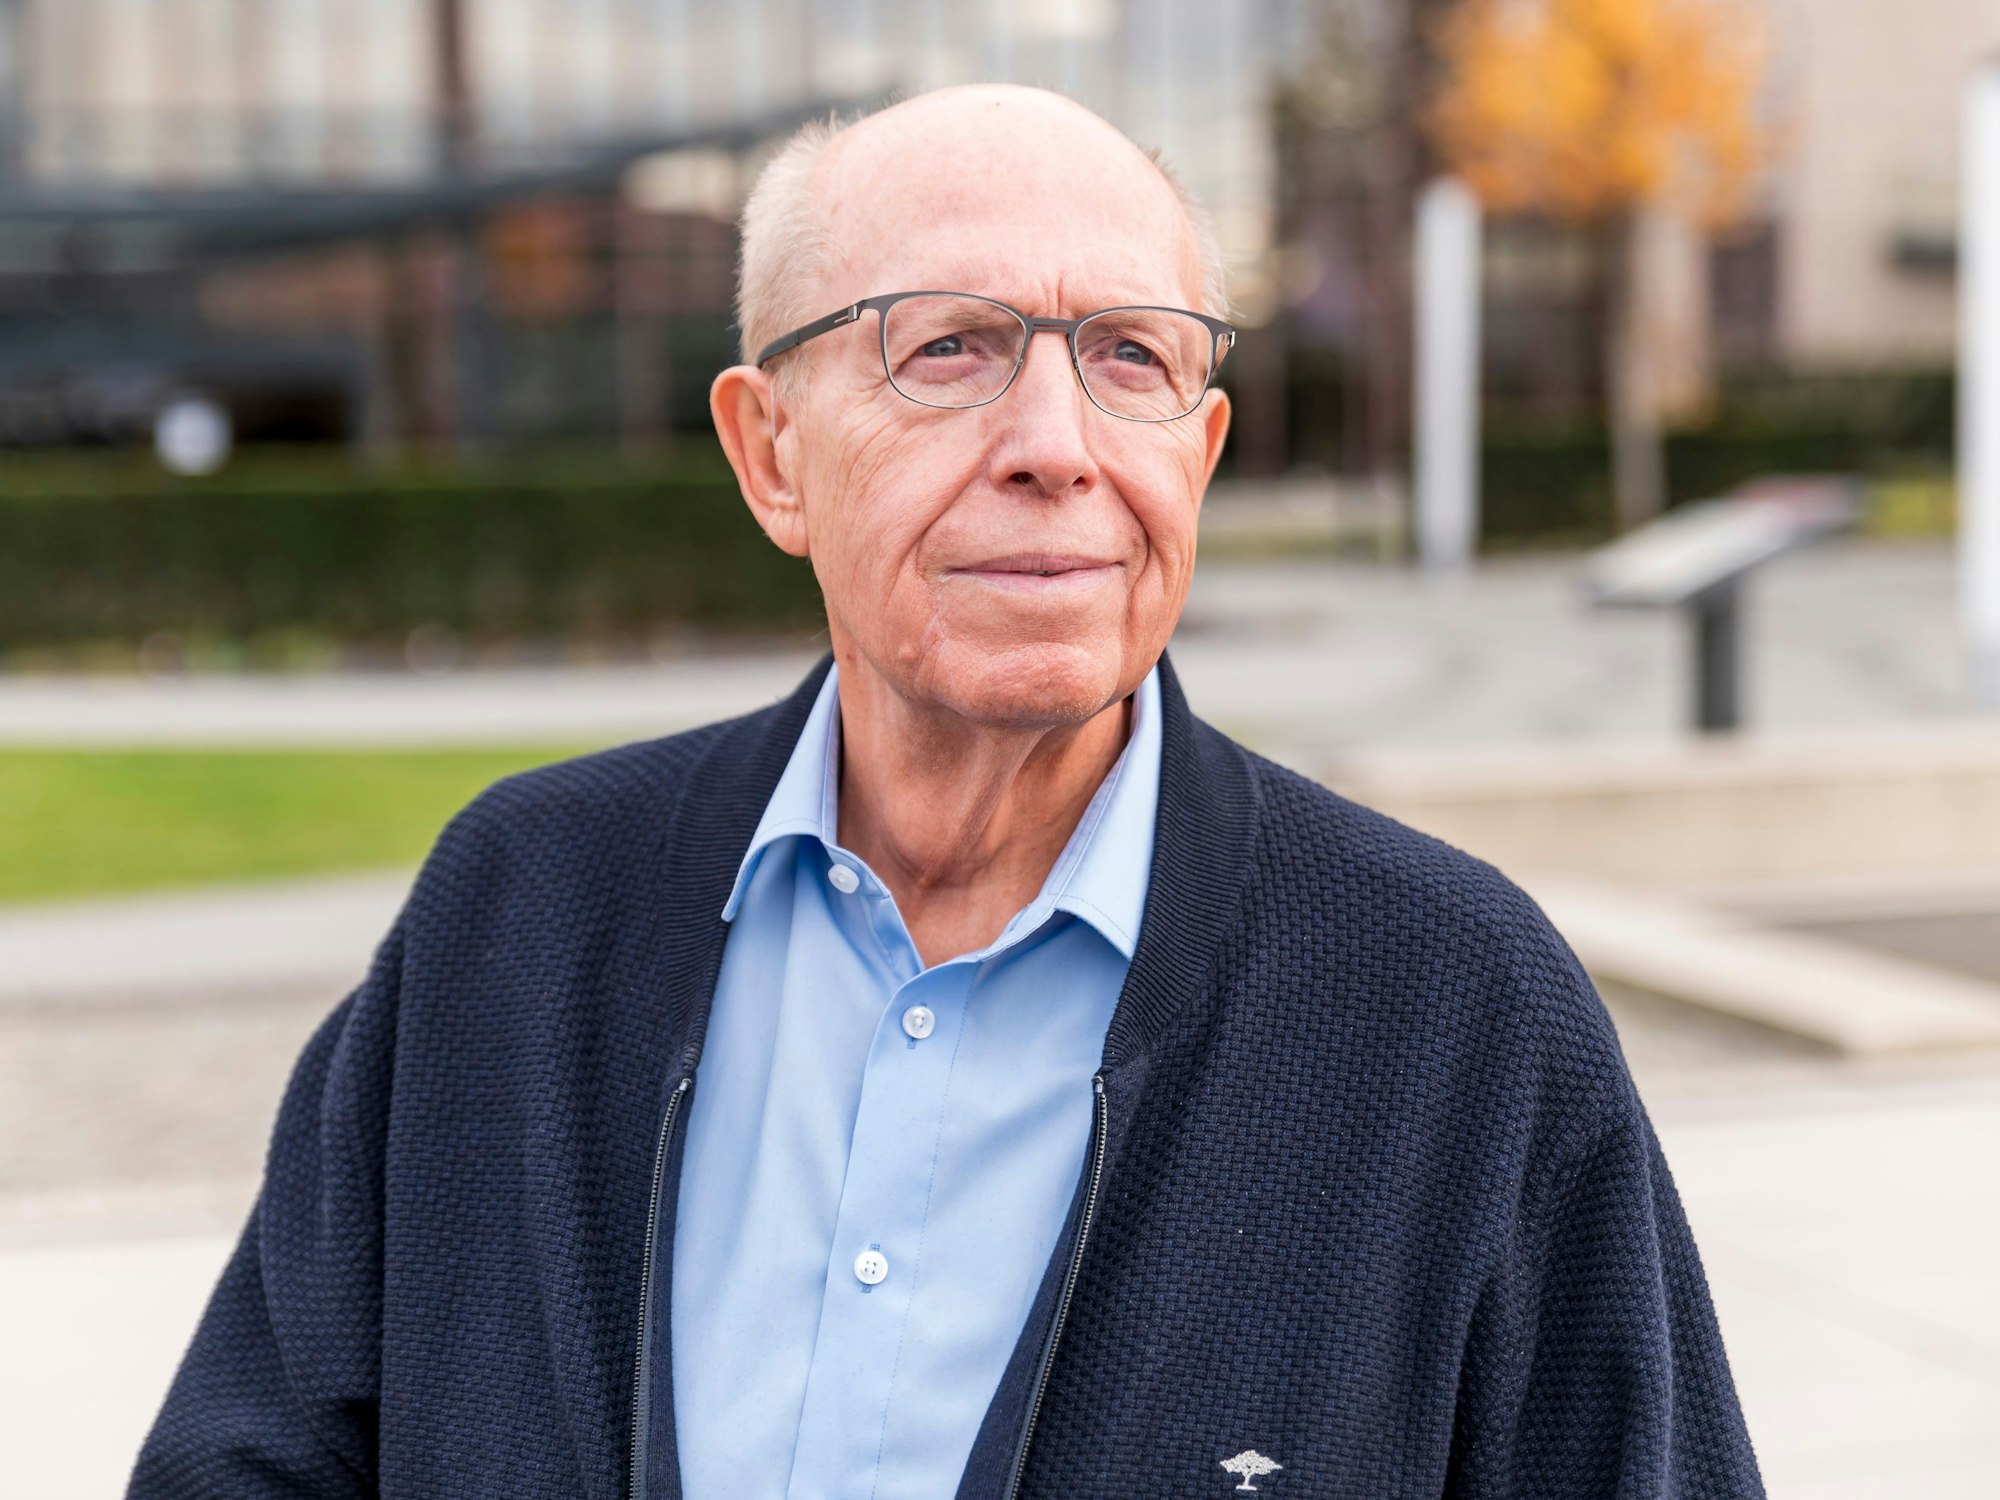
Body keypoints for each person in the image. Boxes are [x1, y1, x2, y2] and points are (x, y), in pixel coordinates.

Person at [133, 86, 1762, 1500]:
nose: (1055, 442)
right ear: (770, 452)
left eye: (1129, 355)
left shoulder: (1454, 1006)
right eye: (952, 349)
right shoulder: (516, 913)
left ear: (1193, 457)